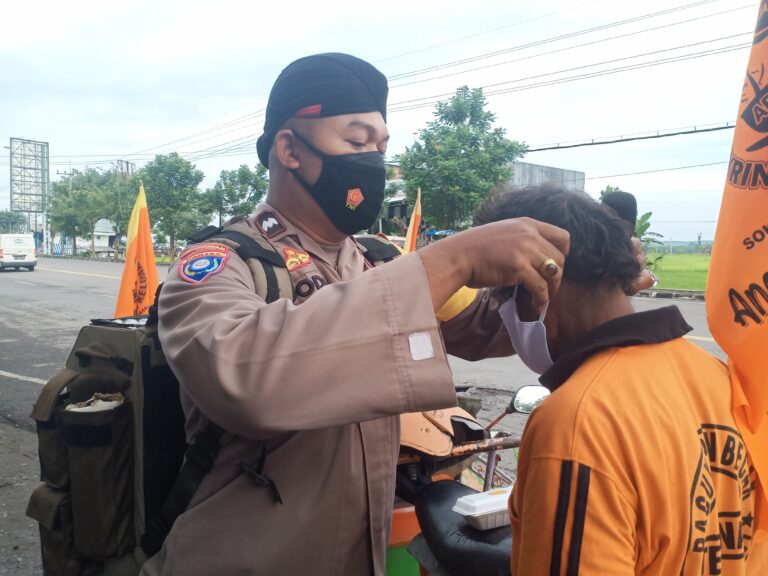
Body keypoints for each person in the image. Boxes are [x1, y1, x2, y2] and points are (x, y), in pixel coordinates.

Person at [139, 53, 569, 576]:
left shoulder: (378, 259)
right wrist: (452, 259)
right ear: (290, 149)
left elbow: (486, 326)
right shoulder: (220, 264)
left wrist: (584, 270)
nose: (373, 161)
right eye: (357, 141)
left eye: (381, 147)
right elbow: (244, 377)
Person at [473, 185, 758, 575]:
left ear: (538, 282)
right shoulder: (715, 375)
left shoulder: (576, 422)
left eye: (501, 299)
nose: (503, 315)